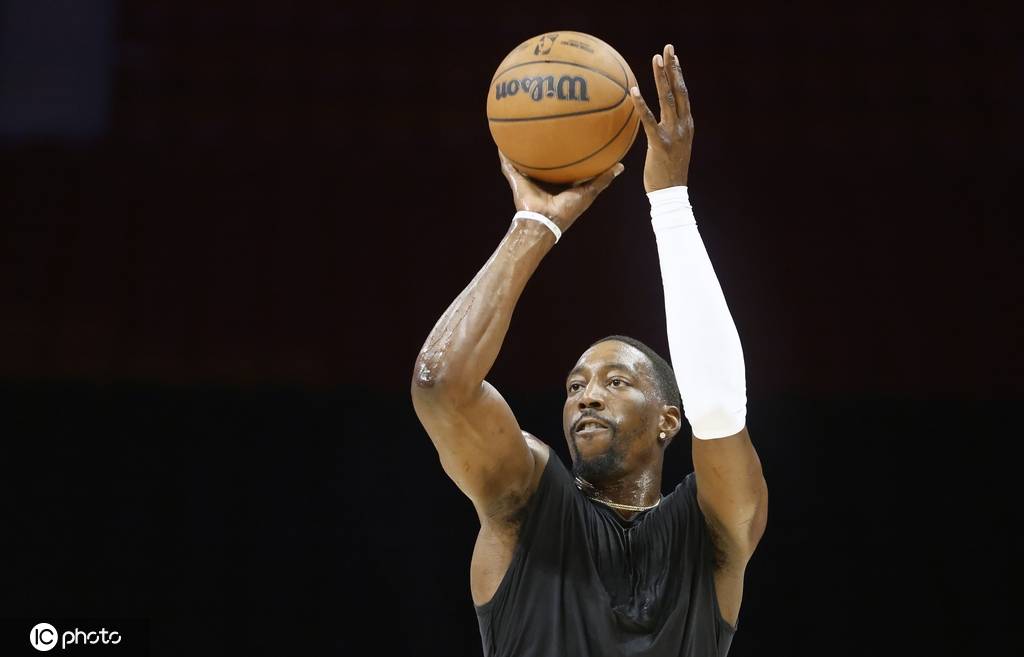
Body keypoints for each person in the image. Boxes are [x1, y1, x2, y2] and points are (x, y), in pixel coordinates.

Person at [411, 43, 768, 657]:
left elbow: (717, 409)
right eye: (575, 386)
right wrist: (534, 225)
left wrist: (670, 203)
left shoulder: (711, 531)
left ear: (668, 421)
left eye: (616, 382)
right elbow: (440, 386)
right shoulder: (526, 503)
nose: (587, 397)